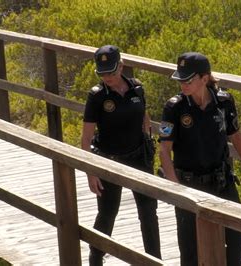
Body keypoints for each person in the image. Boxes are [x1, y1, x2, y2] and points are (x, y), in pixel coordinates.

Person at [158, 52, 241, 266]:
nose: (182, 84)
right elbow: (164, 150)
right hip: (189, 184)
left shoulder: (224, 101)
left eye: (188, 79)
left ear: (204, 78)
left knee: (238, 236)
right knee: (190, 250)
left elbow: (235, 134)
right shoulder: (174, 107)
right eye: (180, 79)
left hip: (222, 181)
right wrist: (175, 186)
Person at [81, 45, 161, 265]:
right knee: (107, 214)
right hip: (109, 160)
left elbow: (145, 117)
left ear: (121, 66)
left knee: (148, 211)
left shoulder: (137, 89)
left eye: (111, 71)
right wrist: (91, 172)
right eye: (102, 73)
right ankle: (95, 257)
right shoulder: (96, 97)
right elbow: (86, 138)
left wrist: (150, 140)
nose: (107, 77)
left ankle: (154, 260)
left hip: (138, 158)